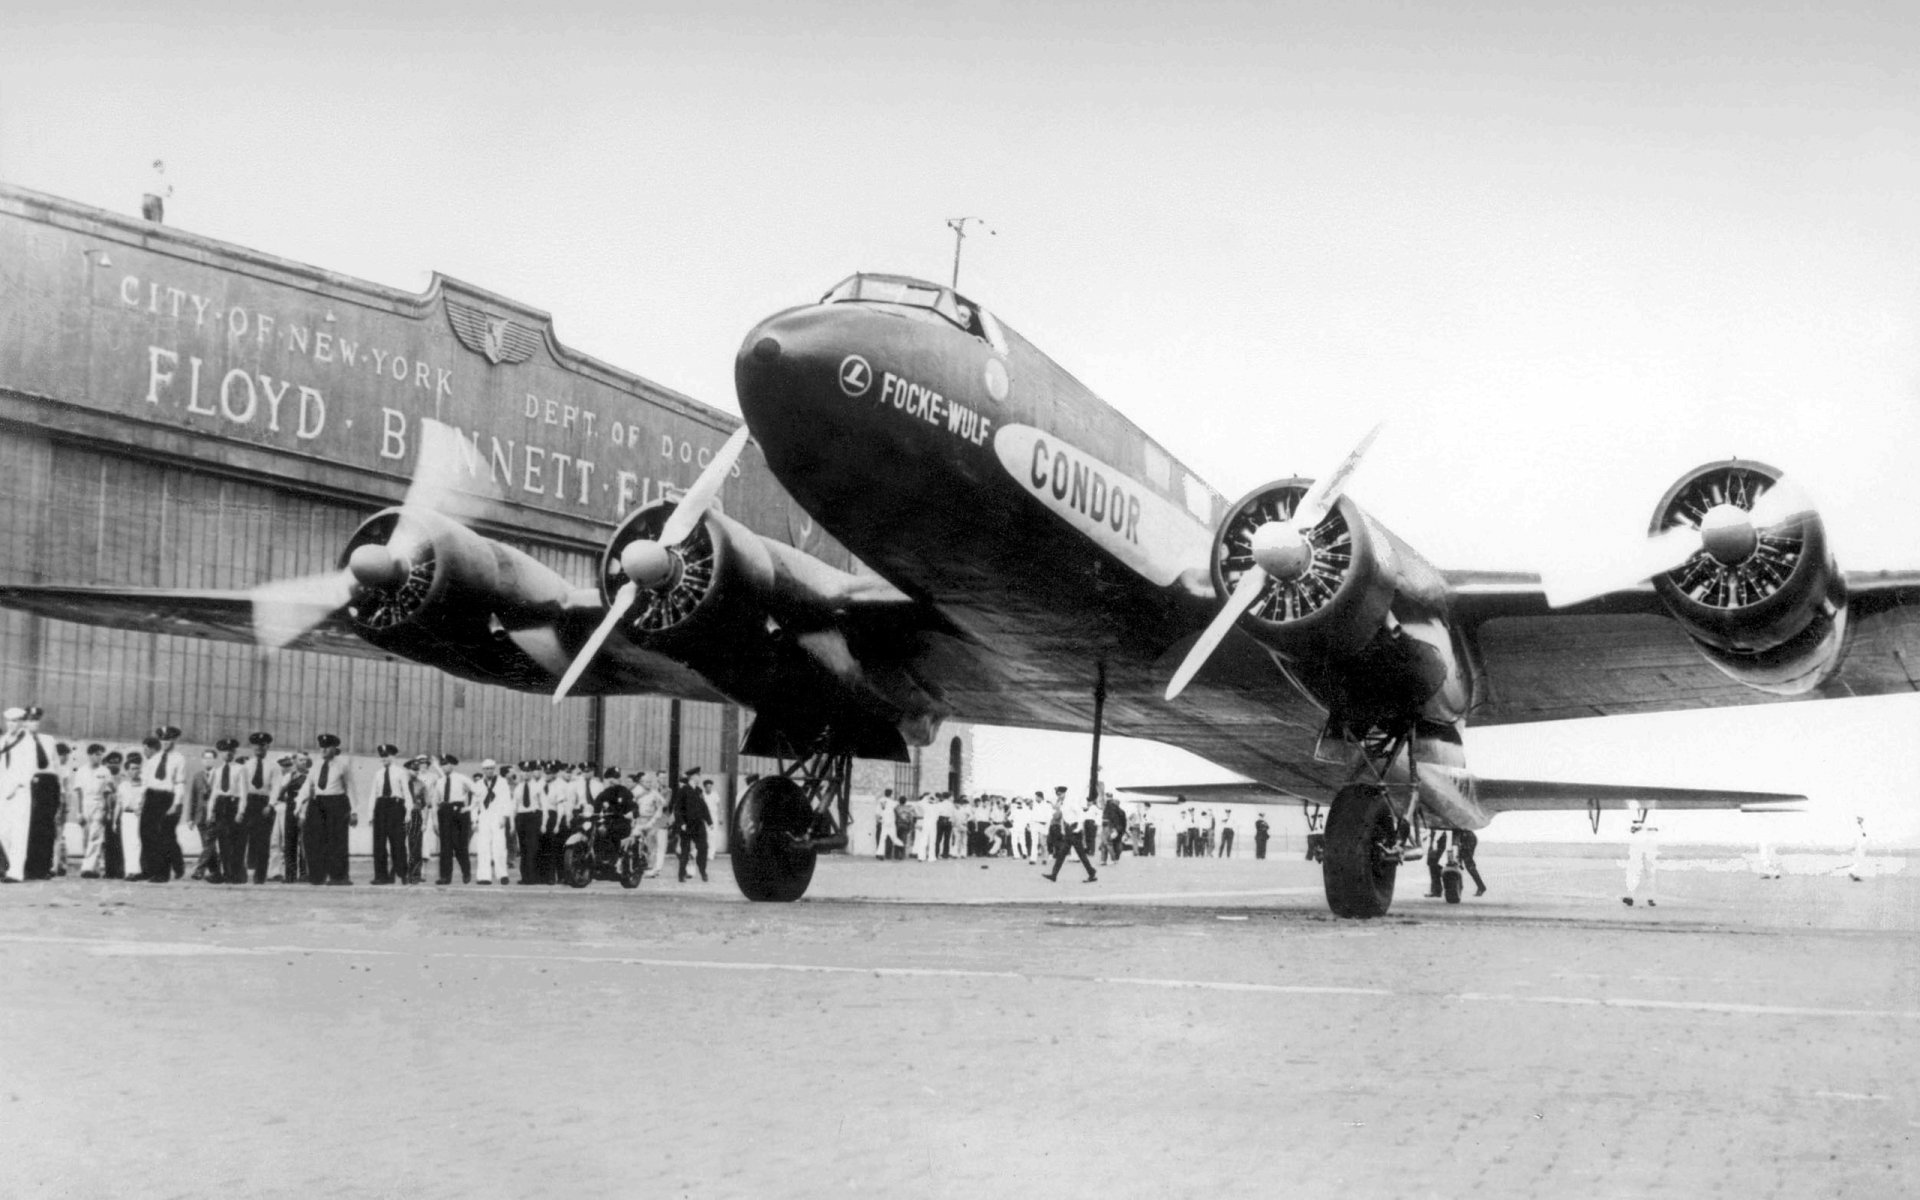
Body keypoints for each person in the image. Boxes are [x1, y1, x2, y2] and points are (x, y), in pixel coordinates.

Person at [300, 733, 353, 885]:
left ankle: (339, 877)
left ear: (334, 748)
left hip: (336, 802)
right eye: (322, 747)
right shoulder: (316, 765)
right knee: (314, 840)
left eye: (327, 747)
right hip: (318, 803)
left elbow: (351, 788)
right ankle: (317, 876)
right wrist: (299, 807)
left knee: (336, 841)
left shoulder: (342, 766)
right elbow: (307, 787)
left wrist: (354, 811)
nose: (323, 750)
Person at [134, 725, 186, 883]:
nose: (165, 743)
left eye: (168, 740)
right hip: (151, 796)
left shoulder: (179, 759)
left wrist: (175, 804)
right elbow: (145, 782)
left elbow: (179, 783)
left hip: (167, 798)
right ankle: (147, 870)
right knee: (145, 834)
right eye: (162, 740)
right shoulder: (154, 758)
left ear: (175, 740)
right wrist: (141, 801)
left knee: (162, 836)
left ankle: (163, 873)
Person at [365, 744, 413, 885]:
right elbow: (373, 793)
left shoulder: (400, 772)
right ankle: (381, 876)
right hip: (381, 807)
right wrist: (370, 814)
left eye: (386, 756)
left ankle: (404, 874)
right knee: (379, 844)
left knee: (397, 842)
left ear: (393, 756)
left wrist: (408, 812)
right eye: (382, 756)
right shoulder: (378, 773)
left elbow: (406, 792)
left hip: (396, 807)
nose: (384, 758)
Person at [238, 732, 279, 884]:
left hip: (264, 804)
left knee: (263, 842)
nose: (259, 748)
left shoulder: (274, 766)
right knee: (242, 840)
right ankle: (240, 875)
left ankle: (260, 877)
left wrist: (271, 805)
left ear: (267, 746)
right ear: (252, 747)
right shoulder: (246, 766)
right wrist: (241, 809)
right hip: (249, 802)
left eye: (262, 745)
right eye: (256, 745)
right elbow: (242, 789)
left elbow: (276, 787)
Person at [207, 738, 248, 883]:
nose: (228, 753)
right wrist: (210, 812)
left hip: (233, 804)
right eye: (225, 751)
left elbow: (243, 793)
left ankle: (237, 875)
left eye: (231, 751)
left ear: (235, 752)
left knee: (235, 842)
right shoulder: (216, 771)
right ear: (220, 752)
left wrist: (240, 812)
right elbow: (214, 794)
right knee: (223, 842)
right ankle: (227, 874)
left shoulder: (240, 769)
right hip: (220, 806)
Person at [429, 755, 473, 885]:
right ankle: (445, 877)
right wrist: (435, 821)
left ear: (452, 765)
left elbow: (478, 792)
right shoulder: (440, 782)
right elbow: (435, 802)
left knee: (460, 846)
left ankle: (466, 872)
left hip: (459, 813)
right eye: (442, 764)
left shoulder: (462, 778)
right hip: (445, 813)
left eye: (447, 764)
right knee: (445, 847)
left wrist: (469, 808)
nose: (444, 767)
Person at [468, 759, 512, 885]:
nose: (489, 771)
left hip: (497, 815)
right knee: (483, 847)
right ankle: (484, 876)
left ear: (494, 769)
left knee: (499, 846)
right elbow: (474, 804)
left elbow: (506, 800)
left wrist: (504, 817)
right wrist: (474, 821)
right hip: (484, 816)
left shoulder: (502, 782)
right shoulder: (478, 784)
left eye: (491, 768)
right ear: (483, 770)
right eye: (486, 769)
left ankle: (502, 874)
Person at [1043, 788, 1097, 883]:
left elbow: (1081, 813)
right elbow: (1064, 817)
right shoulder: (1063, 804)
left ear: (1064, 793)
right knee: (1063, 854)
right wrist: (1064, 830)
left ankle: (1091, 872)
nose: (1059, 796)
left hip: (1074, 829)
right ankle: (1054, 875)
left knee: (1080, 854)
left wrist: (1079, 827)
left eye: (1060, 794)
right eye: (1058, 794)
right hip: (1069, 830)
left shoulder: (1071, 802)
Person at [672, 767, 712, 882]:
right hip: (687, 825)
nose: (699, 777)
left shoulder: (699, 791)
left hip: (699, 825)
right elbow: (678, 809)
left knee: (703, 847)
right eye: (698, 775)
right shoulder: (683, 790)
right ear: (693, 777)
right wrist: (681, 823)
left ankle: (703, 870)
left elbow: (703, 807)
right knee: (685, 850)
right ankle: (681, 873)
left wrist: (709, 822)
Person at [1622, 805, 1658, 907]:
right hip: (1642, 841)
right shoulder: (1638, 809)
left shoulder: (1648, 809)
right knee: (1638, 870)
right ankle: (1633, 896)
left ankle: (1650, 898)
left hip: (1647, 841)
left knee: (1646, 871)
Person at [1456, 828, 1485, 896]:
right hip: (1466, 836)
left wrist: (1460, 859)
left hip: (1466, 837)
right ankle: (1481, 887)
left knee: (1469, 865)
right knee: (1468, 864)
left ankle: (1481, 887)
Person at [1847, 815, 1869, 882]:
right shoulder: (1857, 827)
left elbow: (1864, 835)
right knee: (1857, 861)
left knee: (1858, 861)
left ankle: (1853, 874)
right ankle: (1852, 874)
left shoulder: (1860, 827)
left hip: (1859, 847)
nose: (1861, 821)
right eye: (1860, 819)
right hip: (1857, 847)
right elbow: (1859, 837)